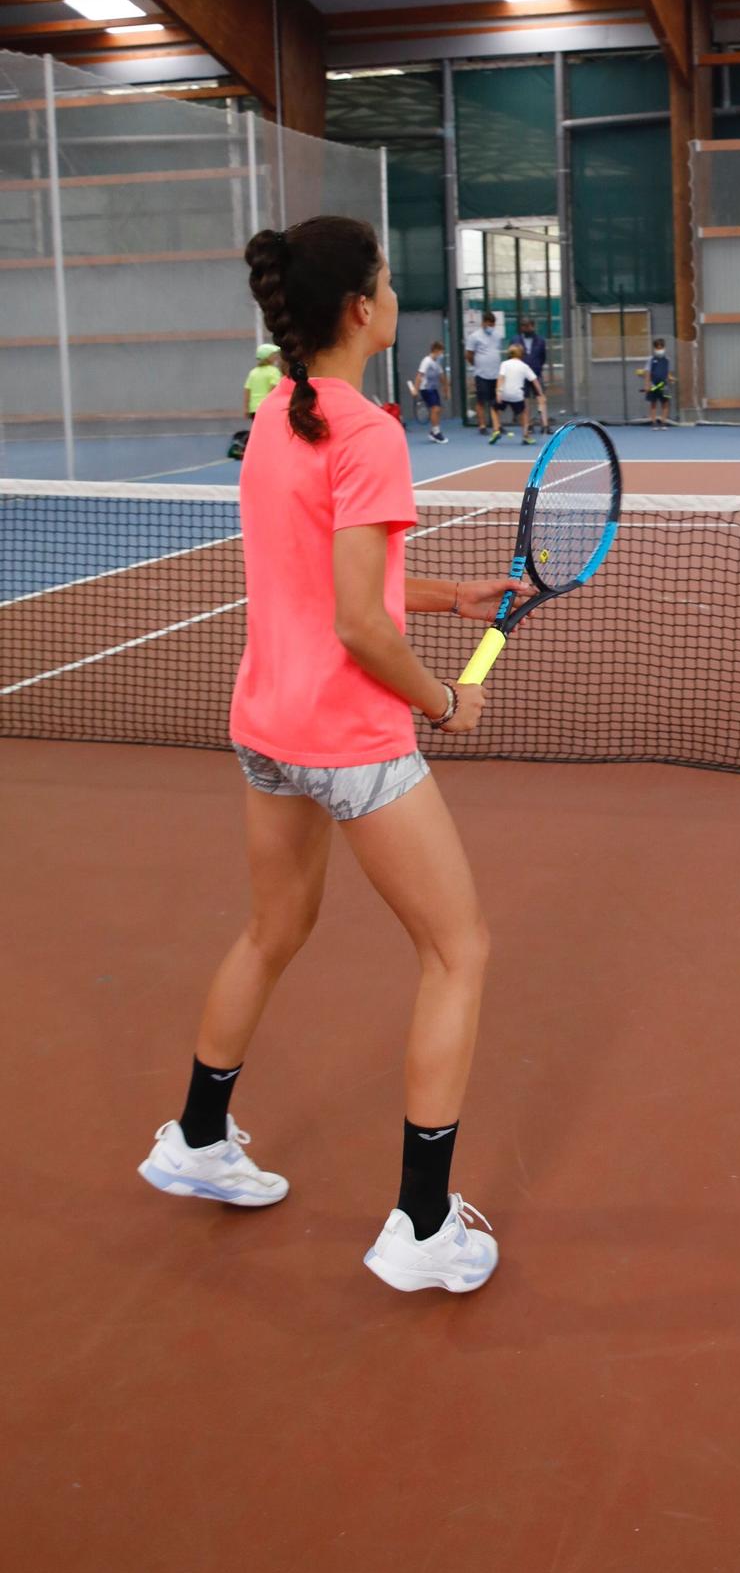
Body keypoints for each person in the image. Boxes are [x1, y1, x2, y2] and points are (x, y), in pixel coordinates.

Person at [138, 214, 533, 1295]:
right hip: (351, 738)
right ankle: (420, 1226)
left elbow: (332, 578)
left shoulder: (276, 415)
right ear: (363, 309)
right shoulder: (368, 432)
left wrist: (454, 594)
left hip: (266, 729)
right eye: (391, 281)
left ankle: (197, 1138)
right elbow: (361, 626)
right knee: (459, 949)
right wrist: (445, 699)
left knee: (274, 928)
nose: (397, 294)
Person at [231, 342, 282, 459]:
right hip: (268, 408)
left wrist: (246, 408)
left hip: (254, 408)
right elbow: (274, 389)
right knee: (271, 431)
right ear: (268, 357)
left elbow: (247, 390)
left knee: (258, 431)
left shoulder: (253, 373)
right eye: (274, 355)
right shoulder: (273, 371)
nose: (277, 357)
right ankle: (269, 453)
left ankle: (253, 451)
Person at [467, 311, 503, 444]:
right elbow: (469, 354)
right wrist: (478, 365)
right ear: (483, 323)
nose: (491, 326)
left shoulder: (497, 335)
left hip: (495, 374)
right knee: (481, 400)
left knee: (496, 401)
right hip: (481, 374)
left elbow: (497, 350)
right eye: (489, 323)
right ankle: (482, 425)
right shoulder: (474, 337)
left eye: (493, 324)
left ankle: (496, 426)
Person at [494, 342, 538, 446]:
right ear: (522, 354)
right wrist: (540, 394)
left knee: (494, 409)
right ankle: (526, 436)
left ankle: (496, 430)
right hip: (518, 396)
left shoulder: (504, 364)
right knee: (524, 413)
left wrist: (498, 392)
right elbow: (535, 380)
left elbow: (500, 379)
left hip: (504, 394)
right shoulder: (524, 366)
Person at [415, 340, 448, 445]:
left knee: (438, 409)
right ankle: (436, 432)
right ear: (435, 351)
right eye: (441, 352)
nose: (441, 355)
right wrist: (415, 389)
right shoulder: (426, 361)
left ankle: (433, 431)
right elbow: (419, 375)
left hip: (433, 388)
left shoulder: (437, 363)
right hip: (425, 388)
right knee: (435, 408)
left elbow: (442, 376)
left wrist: (446, 389)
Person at [519, 319, 549, 435]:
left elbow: (543, 357)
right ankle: (529, 424)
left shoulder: (540, 341)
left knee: (541, 398)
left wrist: (537, 367)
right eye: (524, 326)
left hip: (536, 374)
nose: (526, 328)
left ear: (533, 326)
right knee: (525, 400)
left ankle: (545, 425)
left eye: (528, 326)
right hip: (522, 375)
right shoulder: (516, 340)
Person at [640, 337, 673, 427]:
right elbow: (647, 373)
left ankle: (663, 422)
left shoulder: (667, 360)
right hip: (653, 385)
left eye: (661, 347)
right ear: (654, 348)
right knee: (653, 403)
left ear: (664, 348)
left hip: (664, 385)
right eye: (657, 348)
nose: (659, 349)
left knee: (665, 404)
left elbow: (668, 372)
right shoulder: (651, 359)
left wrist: (670, 378)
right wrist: (647, 385)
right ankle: (654, 422)